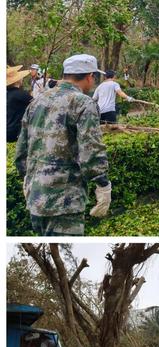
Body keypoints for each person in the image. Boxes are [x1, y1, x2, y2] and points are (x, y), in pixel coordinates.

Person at [15, 54, 111, 236]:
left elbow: (21, 150)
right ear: (90, 76)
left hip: (35, 197)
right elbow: (91, 151)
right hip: (64, 201)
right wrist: (103, 185)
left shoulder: (38, 100)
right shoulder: (82, 103)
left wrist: (27, 180)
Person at [7, 65, 32, 143]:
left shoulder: (7, 94)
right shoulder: (21, 95)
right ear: (17, 80)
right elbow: (36, 103)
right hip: (14, 134)